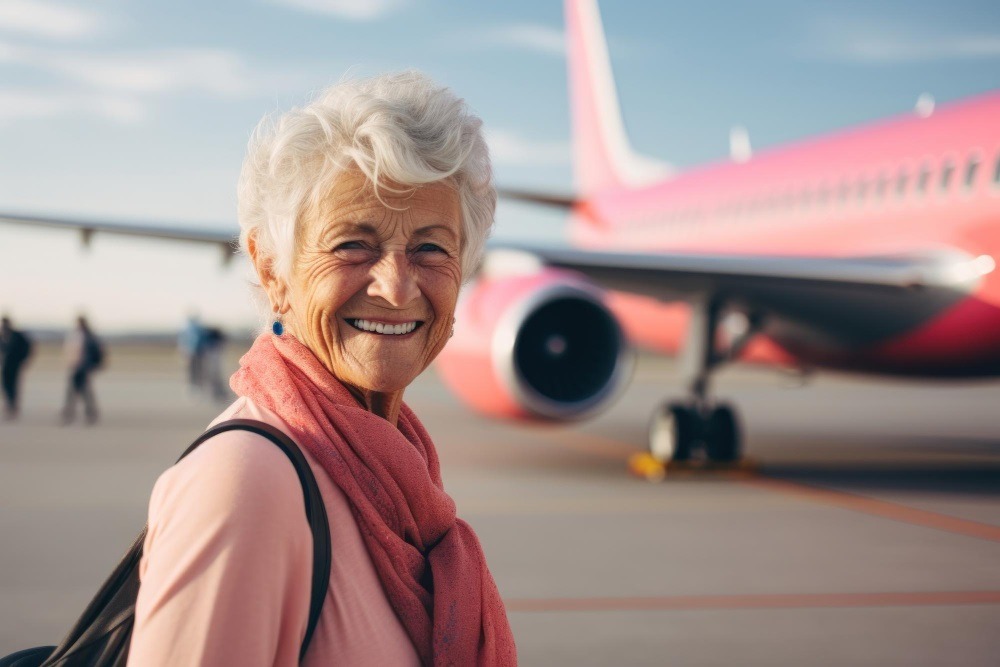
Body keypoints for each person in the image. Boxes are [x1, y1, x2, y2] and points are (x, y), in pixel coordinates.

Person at [128, 72, 516, 665]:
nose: (396, 287)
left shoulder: (395, 472)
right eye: (351, 245)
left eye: (431, 248)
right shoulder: (246, 484)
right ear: (272, 268)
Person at [61, 315, 102, 425]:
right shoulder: (78, 335)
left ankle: (86, 414)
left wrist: (90, 365)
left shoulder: (88, 336)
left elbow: (94, 353)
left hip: (83, 367)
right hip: (76, 367)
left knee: (83, 392)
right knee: (75, 392)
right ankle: (70, 413)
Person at [0, 316, 33, 420]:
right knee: (5, 385)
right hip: (5, 365)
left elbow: (27, 347)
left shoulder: (17, 335)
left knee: (13, 385)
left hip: (15, 365)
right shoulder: (2, 336)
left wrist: (23, 360)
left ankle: (13, 405)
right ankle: (10, 404)